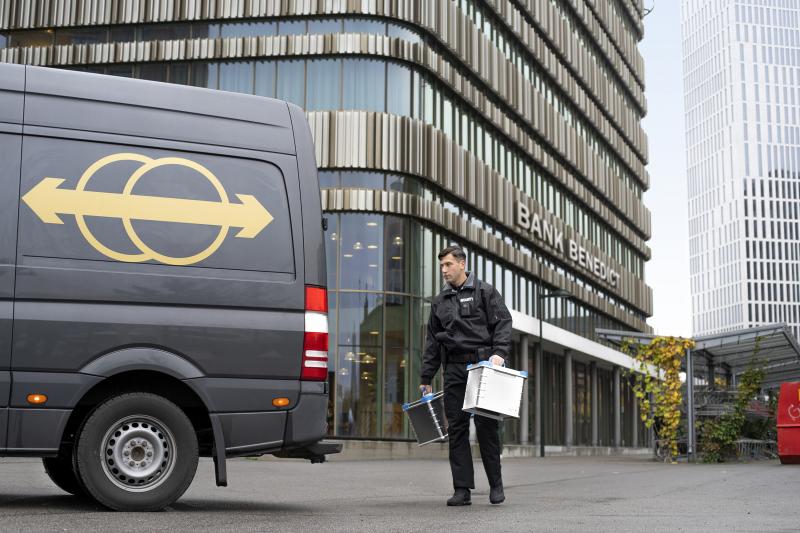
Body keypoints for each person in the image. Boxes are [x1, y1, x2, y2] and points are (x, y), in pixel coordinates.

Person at [420, 245, 512, 506]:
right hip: (455, 371)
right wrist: (426, 377)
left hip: (483, 367)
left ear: (462, 264)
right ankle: (462, 490)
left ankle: (496, 485)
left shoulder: (485, 291)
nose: (444, 270)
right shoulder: (440, 301)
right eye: (441, 266)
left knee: (486, 427)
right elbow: (432, 343)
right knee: (457, 429)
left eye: (448, 265)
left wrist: (500, 354)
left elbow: (503, 323)